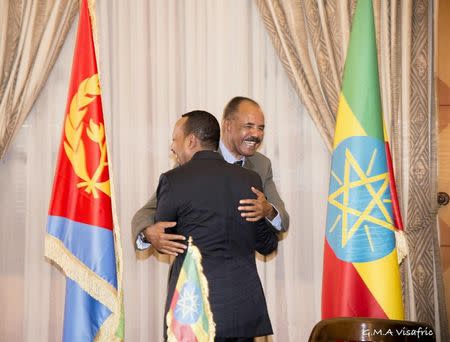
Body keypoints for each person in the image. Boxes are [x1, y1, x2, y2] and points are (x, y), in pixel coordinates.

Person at [156, 110, 277, 340]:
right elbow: (267, 244)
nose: (173, 147)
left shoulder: (173, 180)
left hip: (193, 312)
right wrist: (265, 214)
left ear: (191, 141)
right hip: (242, 312)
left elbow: (167, 242)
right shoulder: (249, 180)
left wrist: (151, 234)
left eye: (175, 139)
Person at [132, 97, 289, 254]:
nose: (256, 134)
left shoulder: (262, 165)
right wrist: (147, 233)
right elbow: (151, 209)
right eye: (248, 126)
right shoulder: (194, 156)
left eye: (260, 128)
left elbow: (283, 221)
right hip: (194, 268)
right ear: (227, 125)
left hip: (238, 269)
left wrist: (268, 210)